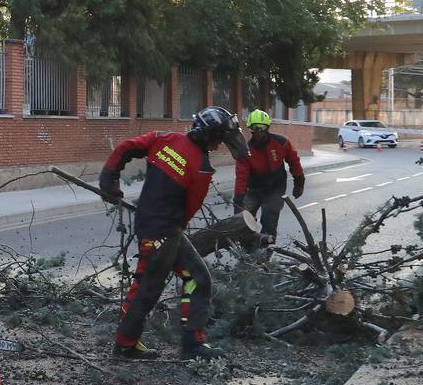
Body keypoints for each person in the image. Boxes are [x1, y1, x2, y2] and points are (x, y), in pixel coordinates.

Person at [97, 106, 247, 361]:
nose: (219, 145)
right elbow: (189, 210)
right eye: (219, 139)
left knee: (198, 279)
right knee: (148, 287)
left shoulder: (164, 138)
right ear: (208, 135)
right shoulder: (200, 168)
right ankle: (125, 346)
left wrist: (108, 180)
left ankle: (190, 344)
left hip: (154, 226)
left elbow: (125, 147)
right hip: (164, 232)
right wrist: (170, 233)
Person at [232, 109, 304, 247]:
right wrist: (239, 201)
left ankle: (266, 252)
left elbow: (294, 162)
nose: (259, 132)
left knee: (270, 217)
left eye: (262, 128)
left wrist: (299, 183)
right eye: (255, 128)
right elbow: (241, 177)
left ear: (268, 127)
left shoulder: (281, 143)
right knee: (244, 220)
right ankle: (247, 252)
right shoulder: (245, 151)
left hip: (275, 188)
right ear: (250, 130)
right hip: (254, 189)